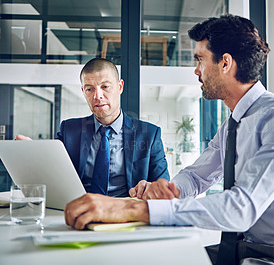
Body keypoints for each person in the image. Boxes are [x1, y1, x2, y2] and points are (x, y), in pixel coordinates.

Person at [64, 15, 274, 264]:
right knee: (155, 258)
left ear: (225, 63)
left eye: (199, 59)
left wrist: (135, 210)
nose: (196, 70)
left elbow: (241, 208)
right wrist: (169, 191)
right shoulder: (233, 123)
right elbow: (197, 178)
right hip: (252, 251)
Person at [18, 58, 169, 197]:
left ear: (120, 87)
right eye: (90, 89)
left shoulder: (150, 134)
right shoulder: (69, 130)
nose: (98, 96)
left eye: (105, 87)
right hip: (80, 210)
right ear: (83, 91)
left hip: (125, 213)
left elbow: (163, 186)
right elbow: (53, 173)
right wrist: (34, 158)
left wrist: (151, 188)